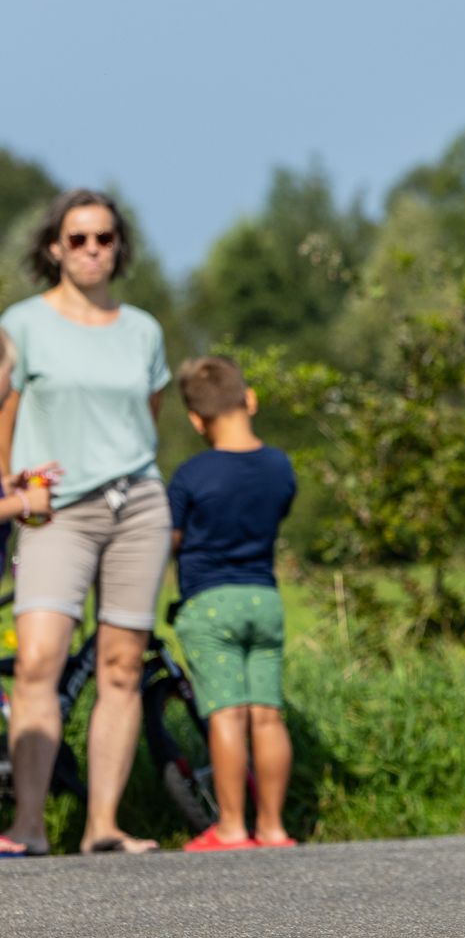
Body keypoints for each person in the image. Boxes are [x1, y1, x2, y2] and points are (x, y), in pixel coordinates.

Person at [0, 189, 173, 855]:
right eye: (78, 239)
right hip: (57, 507)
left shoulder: (144, 330)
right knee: (38, 660)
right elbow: (4, 407)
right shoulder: (23, 323)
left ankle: (103, 825)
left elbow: (146, 415)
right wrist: (9, 475)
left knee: (122, 666)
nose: (93, 250)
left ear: (118, 247)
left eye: (104, 238)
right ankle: (28, 825)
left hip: (137, 503)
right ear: (54, 249)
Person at [168, 356, 299, 851]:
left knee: (227, 715)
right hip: (264, 598)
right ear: (250, 400)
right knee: (266, 715)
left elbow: (172, 538)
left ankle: (230, 827)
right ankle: (273, 827)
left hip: (210, 602)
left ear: (196, 421)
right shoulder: (279, 465)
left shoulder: (191, 475)